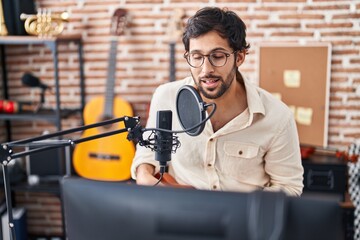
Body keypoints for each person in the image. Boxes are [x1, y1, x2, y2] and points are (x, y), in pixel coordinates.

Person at [130, 6, 304, 196]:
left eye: (218, 56)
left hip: (241, 221)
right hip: (179, 215)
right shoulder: (166, 97)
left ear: (239, 57)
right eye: (197, 57)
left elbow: (290, 187)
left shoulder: (278, 116)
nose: (206, 70)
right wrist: (146, 177)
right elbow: (147, 157)